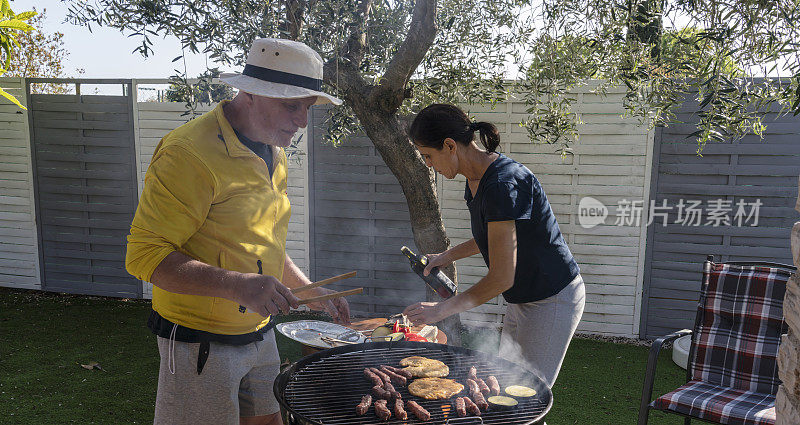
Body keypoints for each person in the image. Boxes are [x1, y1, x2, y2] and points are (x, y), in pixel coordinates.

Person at [126, 38, 350, 425]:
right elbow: (144, 256)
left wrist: (312, 292)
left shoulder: (273, 152)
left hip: (259, 333)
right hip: (199, 341)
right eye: (291, 105)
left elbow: (262, 244)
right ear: (250, 93)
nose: (302, 121)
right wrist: (238, 285)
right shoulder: (187, 153)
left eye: (308, 107)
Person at [402, 103, 585, 388]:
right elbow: (493, 237)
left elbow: (501, 277)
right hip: (520, 298)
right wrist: (446, 256)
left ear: (450, 145)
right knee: (504, 384)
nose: (428, 164)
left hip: (552, 297)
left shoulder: (502, 183)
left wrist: (441, 310)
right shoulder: (474, 179)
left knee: (527, 392)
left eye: (428, 155)